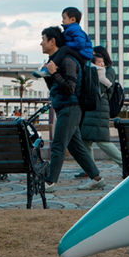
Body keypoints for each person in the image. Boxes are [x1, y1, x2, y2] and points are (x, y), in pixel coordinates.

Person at [39, 26, 105, 192]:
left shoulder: (67, 60)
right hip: (64, 107)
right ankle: (97, 178)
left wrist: (54, 74)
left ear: (52, 41)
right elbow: (56, 86)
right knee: (76, 147)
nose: (41, 43)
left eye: (43, 39)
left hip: (71, 107)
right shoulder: (55, 61)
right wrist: (49, 74)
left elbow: (70, 88)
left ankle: (50, 182)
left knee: (58, 145)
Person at [76, 45, 123, 178]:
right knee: (86, 140)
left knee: (103, 141)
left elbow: (101, 88)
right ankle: (90, 169)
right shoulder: (95, 69)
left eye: (95, 55)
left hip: (100, 108)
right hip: (92, 107)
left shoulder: (108, 71)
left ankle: (125, 164)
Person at [34, 7, 93, 78]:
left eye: (64, 18)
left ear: (73, 19)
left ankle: (48, 69)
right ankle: (47, 67)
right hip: (80, 53)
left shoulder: (75, 29)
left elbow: (80, 43)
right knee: (61, 50)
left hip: (83, 55)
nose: (62, 21)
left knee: (64, 49)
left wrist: (66, 45)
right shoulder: (69, 29)